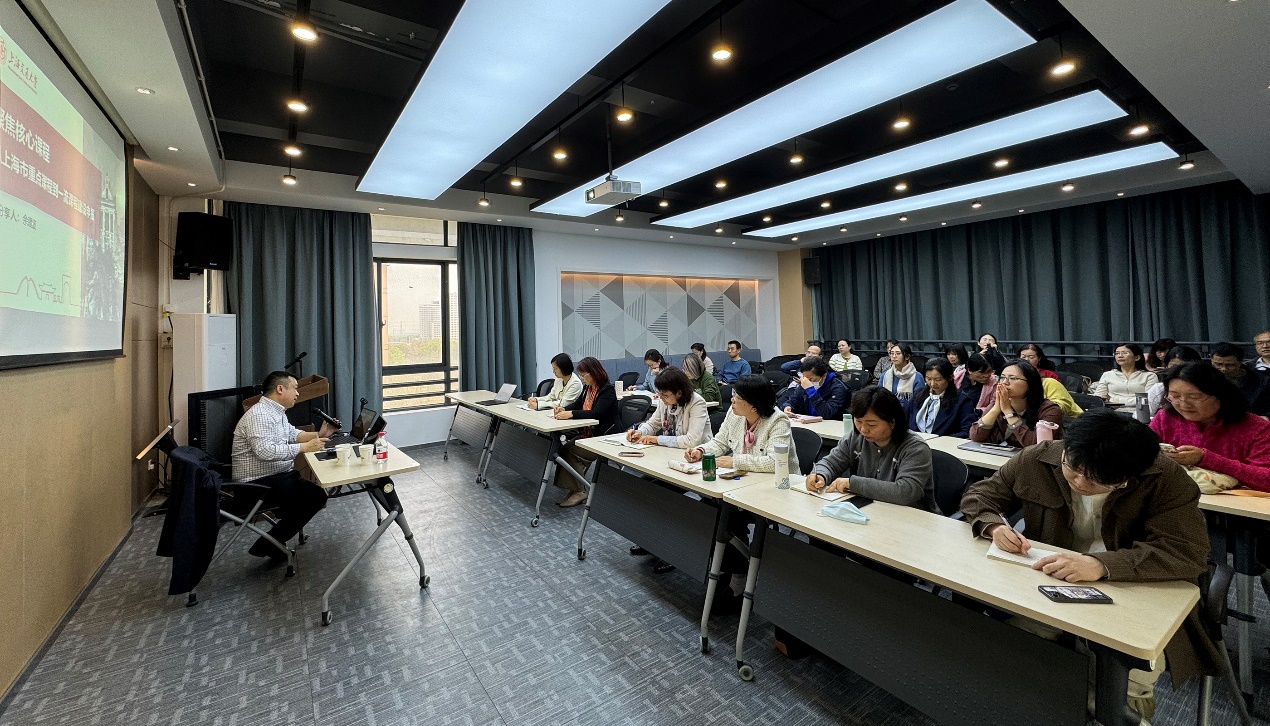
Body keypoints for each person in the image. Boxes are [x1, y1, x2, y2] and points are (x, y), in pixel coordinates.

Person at [960, 410, 1220, 721]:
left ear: (1130, 476)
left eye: (1098, 480)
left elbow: (1185, 552)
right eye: (1073, 469)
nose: (1081, 483)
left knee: (1123, 688)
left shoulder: (1165, 479)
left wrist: (1100, 564)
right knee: (1012, 656)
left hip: (1133, 590)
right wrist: (993, 525)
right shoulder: (1039, 458)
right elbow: (980, 495)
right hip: (1050, 584)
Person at [230, 370, 335, 560]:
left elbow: (293, 434)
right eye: (294, 388)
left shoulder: (275, 412)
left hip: (273, 479)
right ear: (280, 389)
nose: (297, 393)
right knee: (316, 496)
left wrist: (320, 435)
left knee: (311, 493)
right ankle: (269, 545)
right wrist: (304, 448)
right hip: (255, 485)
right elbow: (265, 452)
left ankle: (273, 543)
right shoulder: (260, 415)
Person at [626, 367, 713, 575]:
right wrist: (639, 432)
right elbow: (653, 423)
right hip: (670, 460)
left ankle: (671, 551)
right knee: (644, 487)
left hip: (695, 463)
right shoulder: (665, 402)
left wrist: (656, 439)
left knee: (664, 496)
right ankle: (651, 542)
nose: (662, 398)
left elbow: (691, 441)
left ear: (679, 392)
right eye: (661, 394)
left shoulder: (697, 403)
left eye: (665, 395)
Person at [805, 386, 936, 510]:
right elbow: (831, 463)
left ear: (892, 422)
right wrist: (820, 475)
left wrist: (853, 484)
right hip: (870, 509)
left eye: (871, 424)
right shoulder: (856, 437)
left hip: (912, 517)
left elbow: (906, 492)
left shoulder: (915, 448)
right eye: (858, 421)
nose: (863, 429)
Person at [1151, 362, 1270, 492]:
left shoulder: (1256, 428)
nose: (1183, 404)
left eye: (1194, 396)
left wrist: (1206, 459)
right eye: (1175, 396)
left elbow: (1267, 479)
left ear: (1220, 396)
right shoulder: (1165, 418)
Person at [686, 375, 796, 474]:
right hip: (745, 478)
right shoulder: (735, 413)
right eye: (734, 393)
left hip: (778, 482)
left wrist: (735, 461)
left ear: (754, 407)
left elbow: (775, 462)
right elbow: (720, 442)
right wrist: (701, 451)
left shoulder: (778, 422)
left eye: (737, 397)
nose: (732, 400)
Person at [552, 357, 621, 507]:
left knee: (572, 453)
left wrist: (571, 414)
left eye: (583, 375)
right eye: (581, 375)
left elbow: (597, 413)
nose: (582, 378)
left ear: (593, 373)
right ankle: (575, 489)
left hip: (605, 437)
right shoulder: (588, 388)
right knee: (563, 450)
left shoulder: (606, 390)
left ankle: (580, 491)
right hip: (590, 435)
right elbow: (578, 405)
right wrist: (564, 409)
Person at [969, 360, 1063, 447]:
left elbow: (1036, 447)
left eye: (1013, 378)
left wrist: (1008, 412)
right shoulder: (998, 403)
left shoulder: (1050, 409)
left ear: (1030, 383)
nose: (1004, 383)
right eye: (1002, 377)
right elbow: (975, 436)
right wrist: (996, 409)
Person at [908, 359, 975, 437]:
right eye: (928, 379)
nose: (932, 384)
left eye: (938, 380)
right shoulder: (918, 395)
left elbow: (966, 431)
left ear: (950, 377)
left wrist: (941, 440)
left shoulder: (962, 400)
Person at [1016, 344, 1081, 417]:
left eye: (1031, 357)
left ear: (1039, 358)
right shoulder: (1016, 376)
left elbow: (1060, 404)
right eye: (1023, 357)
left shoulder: (1049, 378)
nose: (1026, 360)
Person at [1210, 342, 1270, 416]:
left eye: (1230, 365)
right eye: (1218, 364)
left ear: (1240, 362)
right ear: (1211, 360)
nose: (1223, 369)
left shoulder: (1263, 381)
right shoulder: (1204, 379)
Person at [782, 356, 849, 421]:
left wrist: (810, 390)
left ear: (824, 376)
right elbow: (793, 401)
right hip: (808, 423)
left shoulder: (838, 387)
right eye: (806, 378)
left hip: (831, 424)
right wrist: (787, 407)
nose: (808, 381)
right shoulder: (805, 383)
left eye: (811, 379)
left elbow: (827, 414)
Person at [1091, 343, 1158, 406]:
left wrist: (1116, 401)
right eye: (1117, 353)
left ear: (1137, 357)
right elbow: (1099, 398)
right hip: (1113, 411)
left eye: (1125, 353)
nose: (1120, 356)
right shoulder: (1108, 375)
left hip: (1139, 411)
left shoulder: (1149, 376)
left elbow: (1149, 400)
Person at [1146, 346, 1202, 417]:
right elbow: (1146, 414)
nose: (1178, 370)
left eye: (1183, 366)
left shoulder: (1205, 387)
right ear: (1166, 366)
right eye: (1173, 366)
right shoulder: (1159, 388)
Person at [878, 343, 926, 414]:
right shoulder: (885, 375)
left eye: (898, 353)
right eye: (892, 353)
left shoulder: (917, 377)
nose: (894, 356)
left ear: (907, 357)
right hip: (887, 413)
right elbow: (879, 397)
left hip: (909, 414)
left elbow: (919, 402)